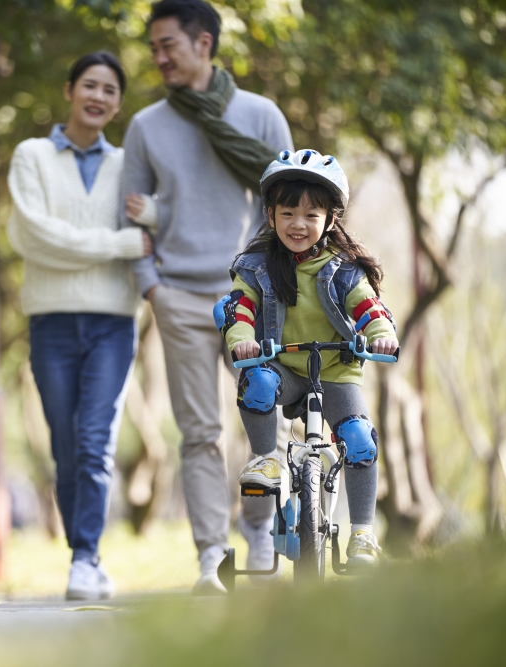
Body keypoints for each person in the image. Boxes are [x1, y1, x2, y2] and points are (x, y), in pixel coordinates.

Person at [120, 0, 294, 594]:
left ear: (203, 43)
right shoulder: (146, 127)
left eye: (167, 45)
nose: (159, 58)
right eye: (153, 49)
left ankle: (261, 530)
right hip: (180, 299)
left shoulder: (261, 116)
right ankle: (211, 558)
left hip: (251, 298)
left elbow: (290, 209)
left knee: (265, 423)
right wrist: (151, 286)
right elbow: (132, 218)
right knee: (199, 434)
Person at [7, 52, 154, 600]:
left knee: (95, 441)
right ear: (69, 90)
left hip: (114, 323)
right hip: (50, 323)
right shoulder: (32, 156)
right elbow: (34, 236)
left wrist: (150, 221)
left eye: (110, 90)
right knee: (66, 448)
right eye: (89, 85)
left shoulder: (129, 164)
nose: (98, 97)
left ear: (118, 104)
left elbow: (162, 217)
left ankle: (84, 558)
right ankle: (84, 555)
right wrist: (120, 244)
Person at [219, 148, 399, 566]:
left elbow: (369, 308)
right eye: (288, 213)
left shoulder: (343, 269)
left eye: (311, 215)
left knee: (359, 439)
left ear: (330, 220)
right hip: (282, 367)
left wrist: (382, 335)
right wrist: (242, 339)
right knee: (256, 381)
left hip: (334, 372)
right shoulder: (257, 266)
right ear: (270, 215)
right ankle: (266, 460)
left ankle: (362, 534)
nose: (298, 224)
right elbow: (239, 308)